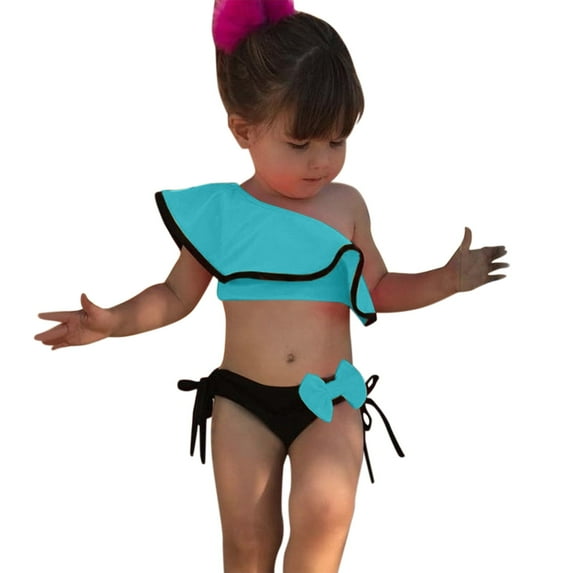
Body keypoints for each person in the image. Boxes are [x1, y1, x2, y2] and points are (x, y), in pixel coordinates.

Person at [35, 1, 508, 571]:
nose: (321, 162)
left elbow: (378, 288)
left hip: (330, 396)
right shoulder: (223, 214)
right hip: (244, 402)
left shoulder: (346, 206)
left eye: (336, 141)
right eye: (301, 144)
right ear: (245, 130)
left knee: (325, 515)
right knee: (248, 539)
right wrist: (113, 322)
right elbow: (175, 296)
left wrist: (446, 280)